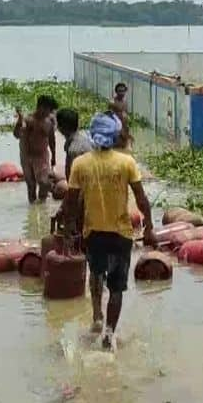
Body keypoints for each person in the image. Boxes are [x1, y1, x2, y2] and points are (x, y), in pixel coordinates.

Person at [62, 112, 155, 350]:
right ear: (114, 136)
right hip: (121, 234)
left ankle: (96, 317)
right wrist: (150, 227)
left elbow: (71, 202)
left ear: (93, 136)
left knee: (96, 274)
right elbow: (142, 199)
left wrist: (68, 233)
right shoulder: (126, 163)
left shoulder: (81, 164)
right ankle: (109, 333)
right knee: (116, 287)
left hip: (93, 233)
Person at [13, 95, 58, 203]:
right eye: (49, 110)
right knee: (31, 185)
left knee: (44, 183)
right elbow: (17, 135)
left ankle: (42, 206)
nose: (50, 113)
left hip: (41, 156)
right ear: (41, 107)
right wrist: (19, 121)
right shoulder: (28, 120)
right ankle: (33, 212)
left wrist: (53, 156)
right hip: (26, 156)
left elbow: (52, 139)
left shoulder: (49, 121)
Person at [55, 108, 92, 179]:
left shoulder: (74, 149)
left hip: (85, 184)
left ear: (61, 127)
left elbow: (75, 177)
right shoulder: (79, 137)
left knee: (56, 185)